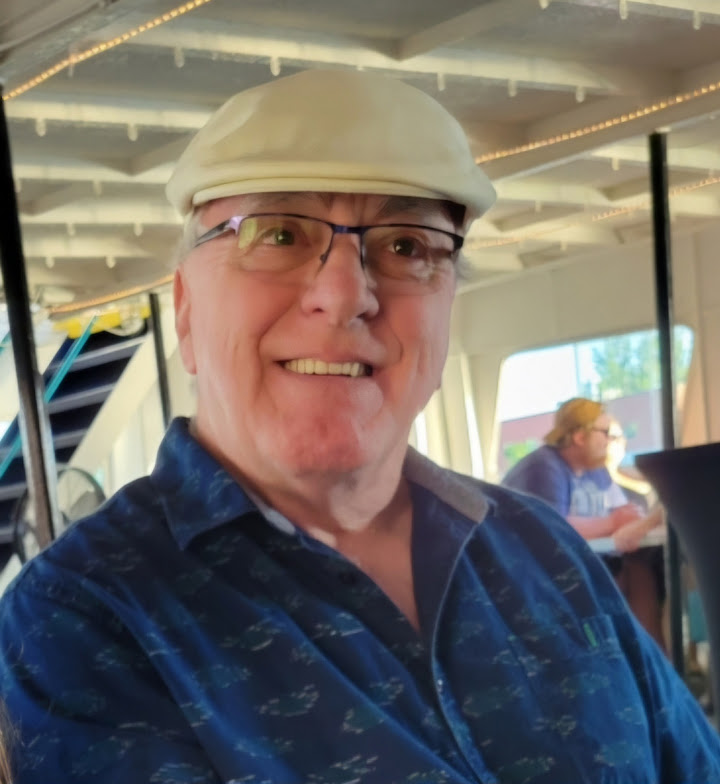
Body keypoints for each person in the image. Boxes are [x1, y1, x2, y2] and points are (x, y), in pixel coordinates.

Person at [1, 70, 718, 784]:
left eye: (407, 246)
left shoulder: (542, 549)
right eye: (278, 233)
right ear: (186, 309)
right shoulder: (82, 617)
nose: (345, 295)